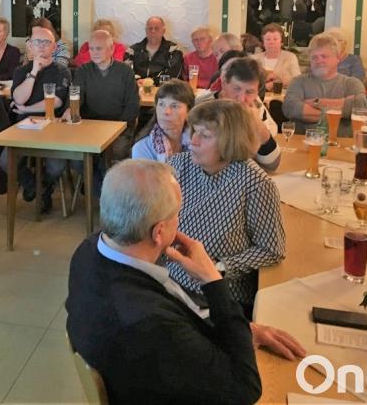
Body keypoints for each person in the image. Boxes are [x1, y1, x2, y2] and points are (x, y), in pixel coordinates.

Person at [66, 159, 305, 403]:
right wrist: (212, 279)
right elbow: (245, 389)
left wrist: (239, 331)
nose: (179, 220)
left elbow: (176, 313)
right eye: (176, 214)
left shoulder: (87, 251)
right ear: (158, 232)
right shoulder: (149, 325)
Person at [166, 100, 286, 316]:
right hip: (172, 284)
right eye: (194, 131)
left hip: (222, 297)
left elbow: (272, 250)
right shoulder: (178, 165)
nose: (193, 141)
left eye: (205, 135)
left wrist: (217, 268)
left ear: (231, 141)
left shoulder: (256, 184)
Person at [3, 26, 71, 213]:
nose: (41, 47)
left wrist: (26, 109)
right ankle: (37, 188)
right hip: (23, 126)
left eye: (46, 42)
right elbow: (19, 99)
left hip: (52, 125)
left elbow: (56, 102)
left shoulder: (62, 71)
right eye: (37, 42)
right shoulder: (20, 71)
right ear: (30, 46)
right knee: (5, 161)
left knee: (56, 166)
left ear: (54, 48)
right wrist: (33, 71)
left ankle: (44, 187)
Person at [72, 29, 140, 162]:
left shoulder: (125, 71)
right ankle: (93, 181)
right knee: (77, 158)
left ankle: (103, 181)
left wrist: (118, 127)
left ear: (111, 49)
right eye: (91, 49)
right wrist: (71, 110)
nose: (94, 53)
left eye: (99, 48)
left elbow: (132, 106)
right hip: (89, 126)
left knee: (114, 153)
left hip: (118, 127)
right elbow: (76, 97)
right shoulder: (83, 71)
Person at [282, 33, 367, 136]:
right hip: (303, 142)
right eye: (314, 57)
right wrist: (340, 112)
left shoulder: (352, 83)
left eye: (324, 56)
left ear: (338, 58)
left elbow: (360, 106)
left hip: (342, 144)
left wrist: (316, 102)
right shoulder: (298, 81)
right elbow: (290, 107)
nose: (319, 61)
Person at [219, 57, 282, 171]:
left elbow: (273, 164)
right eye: (236, 89)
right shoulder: (204, 107)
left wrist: (257, 124)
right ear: (224, 83)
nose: (242, 98)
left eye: (249, 92)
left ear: (258, 91)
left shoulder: (256, 107)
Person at [132, 79, 195, 162]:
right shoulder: (142, 148)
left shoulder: (198, 143)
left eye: (174, 106)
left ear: (189, 112)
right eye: (161, 104)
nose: (166, 112)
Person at [253, 23, 301, 91]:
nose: (271, 42)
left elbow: (298, 81)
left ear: (281, 42)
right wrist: (263, 86)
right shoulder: (254, 59)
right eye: (268, 39)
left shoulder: (290, 57)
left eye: (275, 39)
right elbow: (247, 81)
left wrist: (278, 80)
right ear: (263, 42)